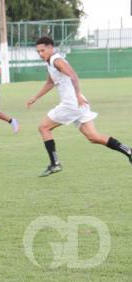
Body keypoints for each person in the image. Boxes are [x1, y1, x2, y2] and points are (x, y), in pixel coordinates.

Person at [27, 36, 131, 177]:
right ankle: (128, 151)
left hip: (72, 104)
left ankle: (55, 164)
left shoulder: (57, 60)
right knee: (93, 137)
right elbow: (50, 82)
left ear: (51, 48)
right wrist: (35, 97)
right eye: (38, 51)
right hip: (78, 104)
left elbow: (74, 76)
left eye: (42, 50)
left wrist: (77, 95)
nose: (40, 54)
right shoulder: (50, 62)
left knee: (44, 127)